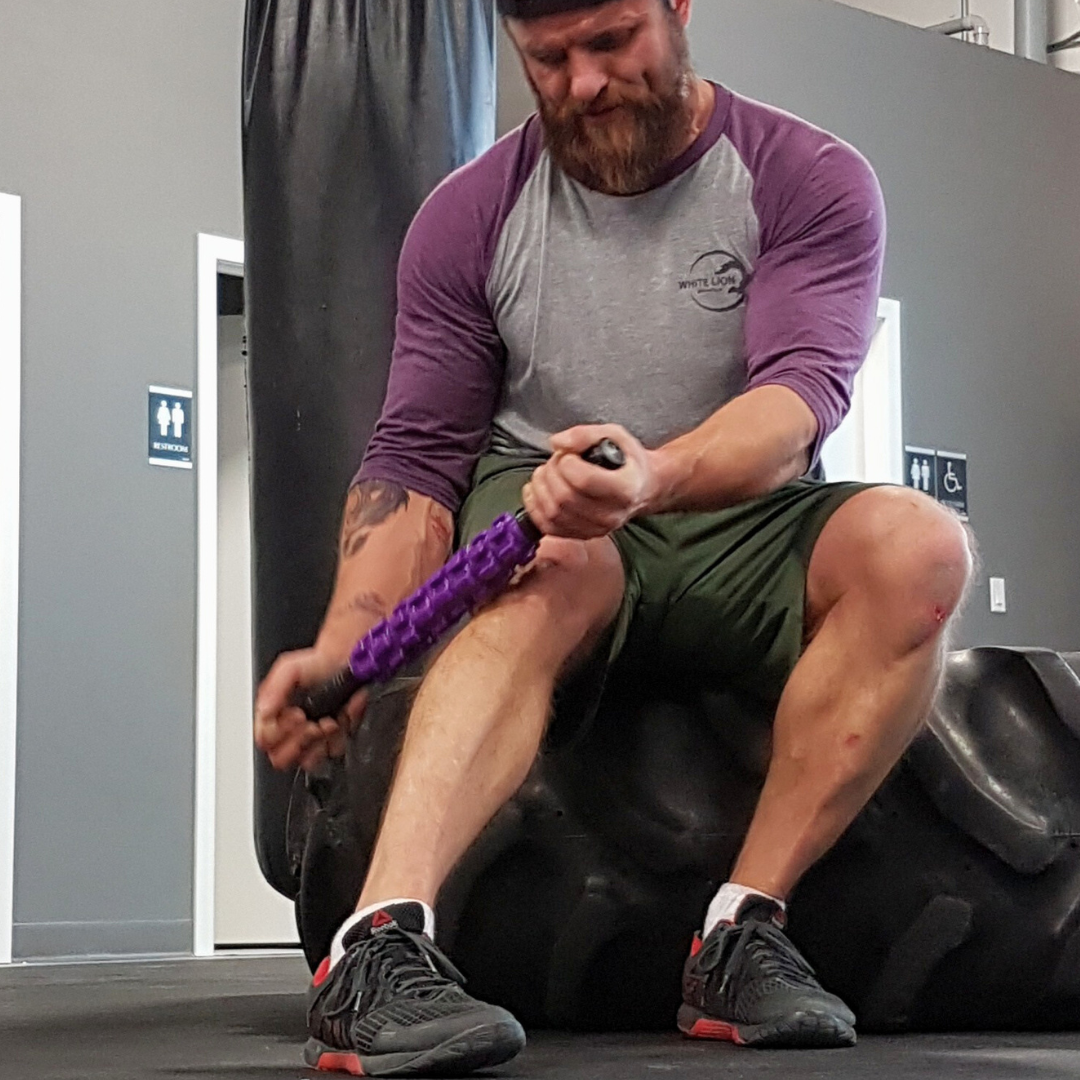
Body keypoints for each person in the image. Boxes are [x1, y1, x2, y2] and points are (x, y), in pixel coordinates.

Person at [254, 0, 974, 1074]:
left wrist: (656, 472)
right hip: (544, 512)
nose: (585, 82)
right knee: (560, 556)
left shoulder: (806, 175)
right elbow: (416, 459)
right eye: (550, 58)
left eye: (613, 42)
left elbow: (795, 402)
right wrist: (351, 641)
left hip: (728, 510)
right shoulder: (470, 216)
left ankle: (740, 934)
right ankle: (377, 947)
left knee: (922, 549)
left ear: (679, 8)